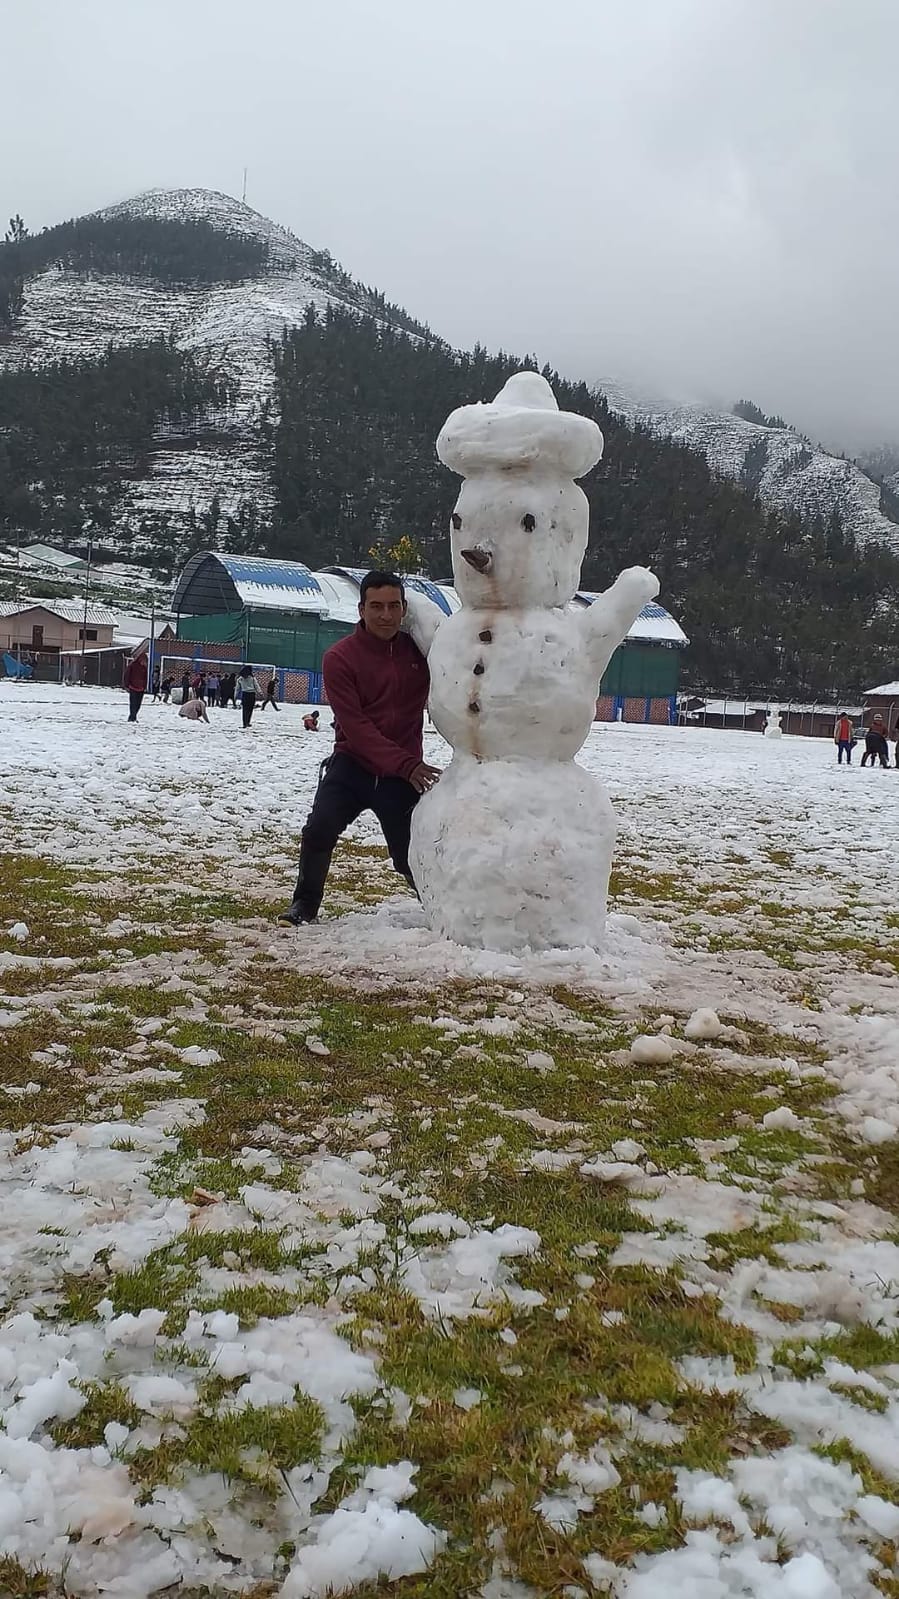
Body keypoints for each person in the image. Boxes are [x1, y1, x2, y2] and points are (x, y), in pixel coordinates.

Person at [280, 570, 439, 926]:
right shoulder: (340, 658)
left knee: (408, 854)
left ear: (404, 610)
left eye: (393, 606)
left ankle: (441, 910)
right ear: (361, 610)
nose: (386, 615)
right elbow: (356, 727)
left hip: (401, 774)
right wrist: (407, 765)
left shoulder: (422, 654)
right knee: (319, 829)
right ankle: (304, 905)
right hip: (353, 765)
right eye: (377, 606)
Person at [124, 650, 148, 722]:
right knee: (133, 704)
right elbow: (127, 675)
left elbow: (145, 678)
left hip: (141, 688)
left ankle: (133, 717)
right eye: (143, 660)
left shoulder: (144, 668)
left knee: (138, 704)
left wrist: (144, 686)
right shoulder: (133, 665)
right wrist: (126, 685)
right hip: (133, 687)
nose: (144, 662)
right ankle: (132, 718)